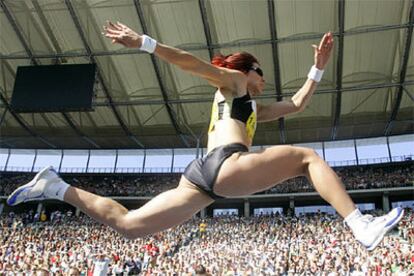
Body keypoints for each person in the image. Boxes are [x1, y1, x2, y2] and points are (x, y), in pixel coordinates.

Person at [7, 21, 403, 251]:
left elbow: (297, 105)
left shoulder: (249, 107)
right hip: (227, 164)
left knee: (130, 225)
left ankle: (56, 187)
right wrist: (144, 43)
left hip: (201, 177)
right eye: (261, 72)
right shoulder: (233, 82)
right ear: (246, 70)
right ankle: (359, 224)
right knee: (306, 159)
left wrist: (317, 69)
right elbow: (192, 64)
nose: (264, 81)